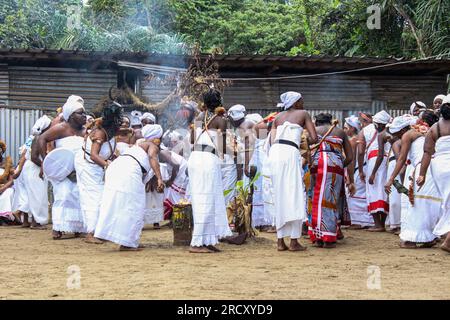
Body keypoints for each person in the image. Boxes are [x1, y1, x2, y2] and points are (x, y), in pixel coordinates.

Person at [94, 124, 164, 251]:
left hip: (116, 168)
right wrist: (160, 178)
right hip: (127, 170)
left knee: (119, 204)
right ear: (157, 138)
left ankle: (123, 239)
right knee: (135, 206)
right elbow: (152, 157)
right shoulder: (151, 145)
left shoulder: (140, 145)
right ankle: (128, 243)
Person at [267, 91, 318, 252]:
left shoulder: (277, 117)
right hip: (289, 153)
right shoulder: (303, 113)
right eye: (301, 100)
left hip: (275, 154)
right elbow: (314, 138)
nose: (303, 103)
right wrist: (301, 140)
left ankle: (280, 241)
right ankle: (294, 241)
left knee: (280, 195)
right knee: (294, 194)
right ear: (296, 102)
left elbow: (272, 140)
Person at [385, 111, 442, 249]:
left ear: (404, 129)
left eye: (398, 132)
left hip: (420, 171)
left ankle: (410, 240)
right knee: (428, 204)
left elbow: (402, 159)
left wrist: (391, 178)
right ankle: (428, 237)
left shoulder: (408, 134)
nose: (397, 136)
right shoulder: (435, 131)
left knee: (415, 205)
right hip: (434, 170)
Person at [188, 89, 233, 253]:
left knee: (206, 199)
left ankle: (207, 240)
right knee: (206, 200)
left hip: (195, 158)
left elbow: (192, 140)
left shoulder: (198, 118)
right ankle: (196, 243)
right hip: (207, 160)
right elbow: (221, 145)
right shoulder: (221, 120)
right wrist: (231, 153)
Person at [37, 95, 87, 239]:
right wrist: (46, 161)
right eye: (80, 113)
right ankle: (58, 228)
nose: (84, 116)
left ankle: (78, 227)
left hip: (78, 170)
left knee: (78, 196)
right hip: (61, 170)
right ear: (71, 115)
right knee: (63, 195)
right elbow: (42, 139)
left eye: (84, 113)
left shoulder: (85, 132)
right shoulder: (61, 128)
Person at [74, 102, 122, 244]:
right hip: (88, 166)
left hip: (97, 167)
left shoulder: (110, 131)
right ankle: (90, 233)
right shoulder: (100, 132)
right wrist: (108, 166)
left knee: (102, 196)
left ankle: (100, 230)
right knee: (93, 197)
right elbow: (94, 156)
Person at [308, 113, 354, 248]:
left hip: (317, 166)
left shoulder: (313, 131)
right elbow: (350, 157)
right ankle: (330, 235)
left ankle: (319, 237)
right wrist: (338, 166)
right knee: (331, 200)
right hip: (336, 167)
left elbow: (305, 150)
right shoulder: (340, 132)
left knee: (315, 199)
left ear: (316, 122)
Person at [417, 97, 450, 253]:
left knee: (446, 201)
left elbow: (427, 152)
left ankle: (447, 237)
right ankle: (448, 241)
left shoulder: (434, 128)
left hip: (439, 168)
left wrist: (422, 175)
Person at [358, 110, 392, 232]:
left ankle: (378, 224)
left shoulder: (365, 131)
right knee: (383, 192)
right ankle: (382, 223)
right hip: (388, 163)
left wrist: (362, 170)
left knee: (372, 191)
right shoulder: (391, 131)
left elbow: (361, 152)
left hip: (375, 163)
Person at [19, 115, 52, 229]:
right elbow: (34, 157)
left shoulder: (34, 137)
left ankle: (30, 221)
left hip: (29, 167)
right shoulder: (40, 138)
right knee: (38, 195)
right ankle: (36, 222)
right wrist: (44, 165)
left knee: (32, 195)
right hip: (34, 168)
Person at [344, 115, 374, 229]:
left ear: (352, 128)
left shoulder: (353, 141)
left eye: (346, 128)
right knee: (361, 195)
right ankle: (365, 220)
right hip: (364, 168)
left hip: (357, 170)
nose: (345, 129)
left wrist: (350, 178)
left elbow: (352, 161)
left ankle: (358, 221)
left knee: (354, 194)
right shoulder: (360, 139)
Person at [0, 140, 17, 224]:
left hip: (7, 186)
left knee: (7, 195)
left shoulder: (7, 162)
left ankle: (4, 217)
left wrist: (2, 189)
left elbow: (11, 180)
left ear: (1, 150)